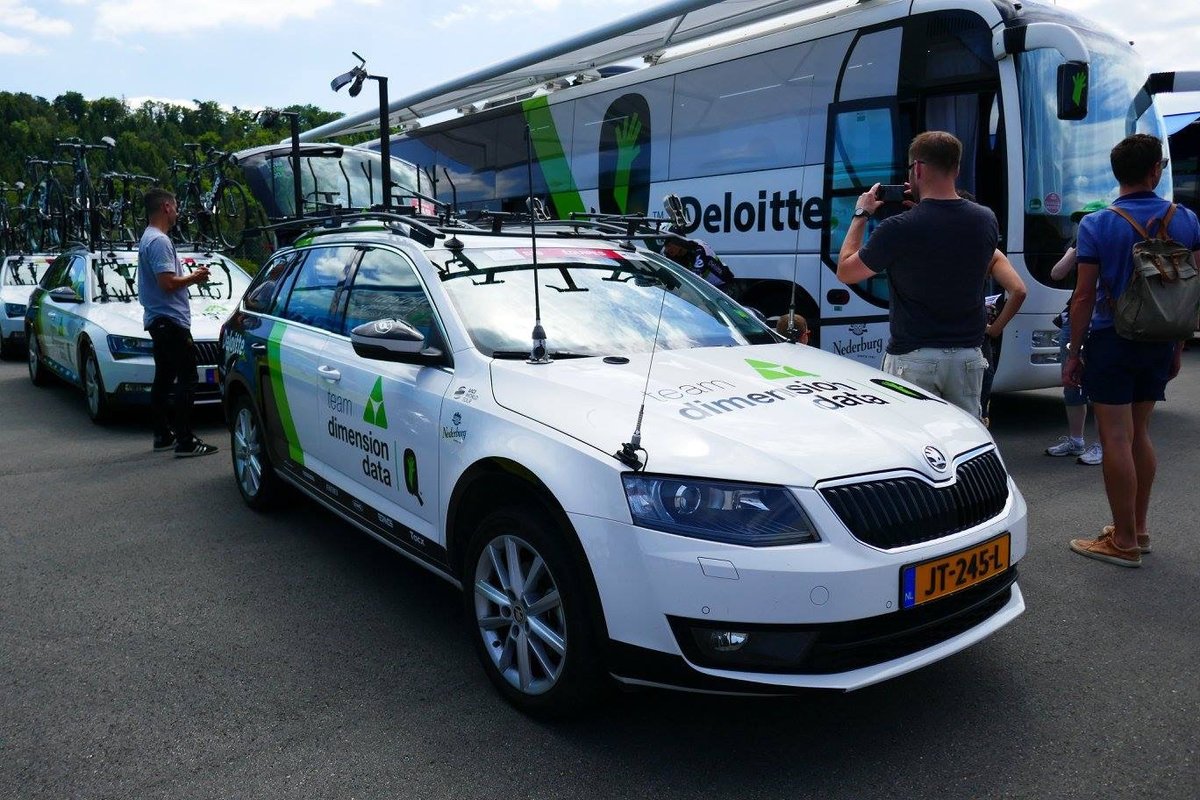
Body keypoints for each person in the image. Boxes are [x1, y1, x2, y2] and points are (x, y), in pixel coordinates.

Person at [1064, 134, 1200, 567]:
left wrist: (1073, 350)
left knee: (1115, 437)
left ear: (1116, 173)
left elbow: (1083, 297)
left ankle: (1121, 542)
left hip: (1113, 338)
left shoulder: (1098, 224)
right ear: (1155, 170)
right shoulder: (1187, 220)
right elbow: (1191, 291)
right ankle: (1137, 529)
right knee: (1140, 433)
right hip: (1160, 339)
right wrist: (1178, 342)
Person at [836, 131, 997, 417]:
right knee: (964, 441)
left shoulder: (899, 227)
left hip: (915, 356)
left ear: (918, 169)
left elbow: (846, 271)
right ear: (957, 168)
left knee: (917, 442)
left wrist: (861, 214)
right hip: (968, 357)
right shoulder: (986, 219)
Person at [137, 188, 218, 458]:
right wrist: (194, 277)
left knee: (163, 379)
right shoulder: (159, 241)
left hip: (158, 320)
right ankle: (185, 440)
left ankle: (162, 434)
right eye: (176, 206)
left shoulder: (148, 238)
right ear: (166, 208)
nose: (178, 211)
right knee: (188, 379)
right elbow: (167, 282)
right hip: (170, 321)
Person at [1043, 204, 1106, 465]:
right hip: (1074, 319)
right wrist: (1078, 249)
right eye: (1080, 221)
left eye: (1087, 221)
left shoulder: (1113, 244)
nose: (1083, 226)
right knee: (1071, 382)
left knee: (1102, 385)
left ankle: (1103, 444)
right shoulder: (1078, 245)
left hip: (1103, 321)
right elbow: (1056, 273)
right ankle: (1075, 440)